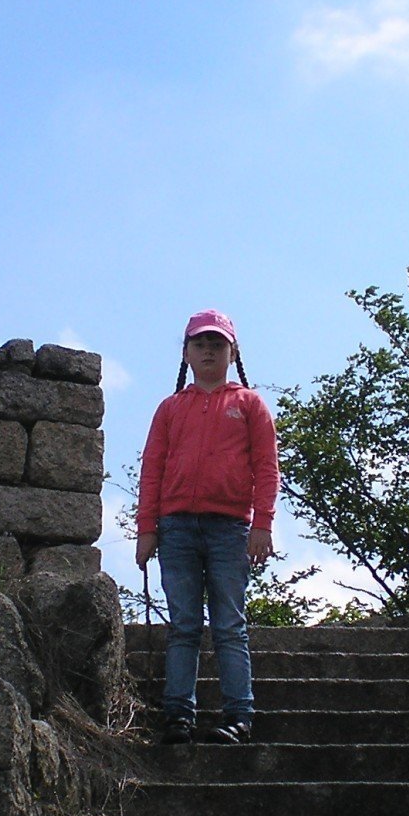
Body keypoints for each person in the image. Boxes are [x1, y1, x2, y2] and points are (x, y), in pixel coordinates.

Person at [135, 309, 278, 745]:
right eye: (200, 343)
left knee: (229, 624)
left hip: (230, 528)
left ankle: (240, 716)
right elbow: (152, 469)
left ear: (233, 352)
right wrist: (146, 529)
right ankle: (178, 715)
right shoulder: (170, 408)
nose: (209, 351)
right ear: (186, 353)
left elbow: (267, 468)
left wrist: (263, 525)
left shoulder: (250, 404)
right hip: (176, 526)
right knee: (183, 624)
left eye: (217, 344)